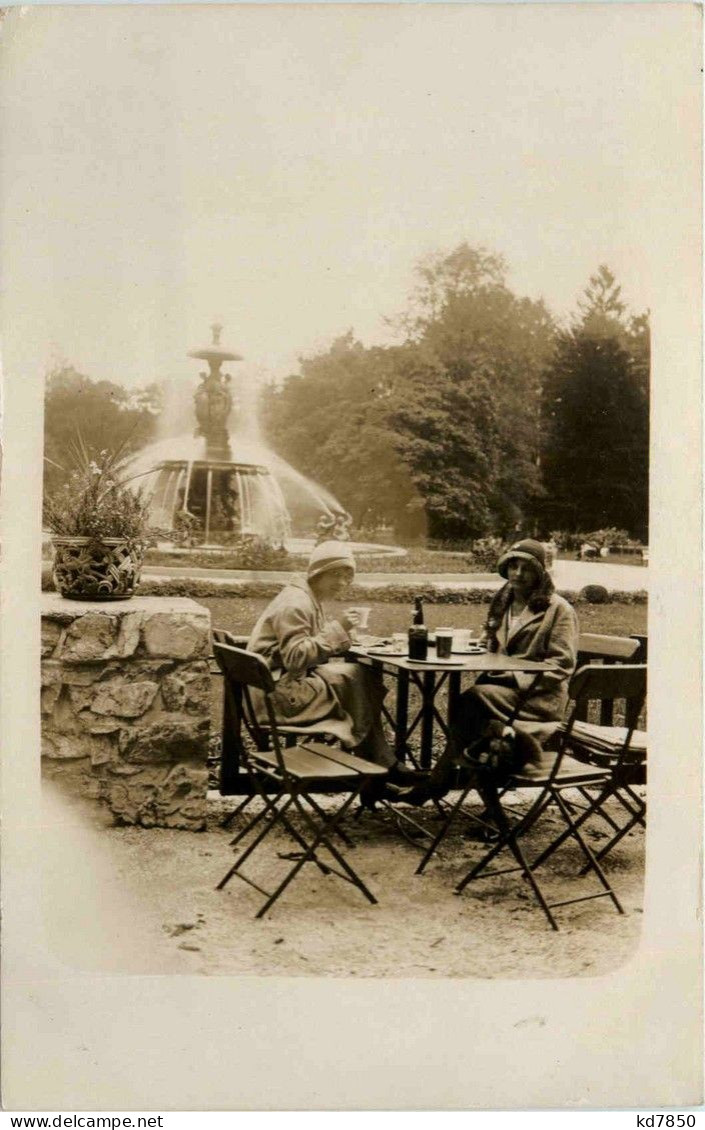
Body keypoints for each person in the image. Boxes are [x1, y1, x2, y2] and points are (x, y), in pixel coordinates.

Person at [398, 538, 579, 805]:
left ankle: (439, 782)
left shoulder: (558, 610)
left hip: (538, 699)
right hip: (501, 693)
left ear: (540, 573)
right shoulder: (503, 602)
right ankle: (454, 788)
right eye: (513, 566)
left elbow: (560, 666)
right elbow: (495, 648)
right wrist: (483, 647)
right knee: (476, 719)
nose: (517, 574)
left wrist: (510, 675)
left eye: (526, 568)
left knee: (471, 702)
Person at [247, 539, 422, 788]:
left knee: (360, 676)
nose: (342, 583)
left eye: (347, 577)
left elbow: (300, 650)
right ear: (318, 573)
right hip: (277, 699)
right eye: (336, 575)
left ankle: (380, 768)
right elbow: (296, 659)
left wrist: (337, 635)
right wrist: (338, 629)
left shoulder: (303, 597)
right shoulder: (296, 604)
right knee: (359, 681)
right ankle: (381, 769)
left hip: (272, 687)